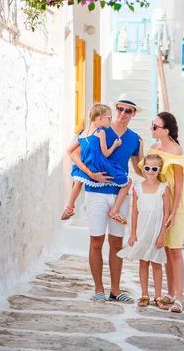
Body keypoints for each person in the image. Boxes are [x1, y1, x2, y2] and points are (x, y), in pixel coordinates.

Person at [69, 94, 143, 303]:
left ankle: (115, 290)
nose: (123, 114)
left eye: (128, 110)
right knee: (96, 241)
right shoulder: (97, 128)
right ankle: (99, 289)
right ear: (114, 109)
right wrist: (90, 174)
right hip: (96, 193)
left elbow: (138, 167)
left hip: (120, 195)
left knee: (117, 243)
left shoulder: (135, 139)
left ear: (134, 114)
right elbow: (73, 153)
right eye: (120, 109)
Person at [144, 112, 184, 313]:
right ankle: (170, 291)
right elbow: (148, 173)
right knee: (165, 249)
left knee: (175, 249)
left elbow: (180, 187)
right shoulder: (154, 148)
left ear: (166, 131)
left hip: (176, 206)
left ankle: (180, 297)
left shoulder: (176, 153)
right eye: (152, 125)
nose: (152, 128)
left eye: (155, 126)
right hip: (159, 204)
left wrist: (173, 214)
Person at [117, 154, 170, 308]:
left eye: (154, 168)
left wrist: (162, 235)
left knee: (157, 263)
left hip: (156, 231)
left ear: (159, 170)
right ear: (143, 168)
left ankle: (158, 297)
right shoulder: (137, 188)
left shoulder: (163, 188)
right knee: (143, 262)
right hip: (142, 230)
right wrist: (133, 234)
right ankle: (144, 294)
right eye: (147, 168)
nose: (150, 171)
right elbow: (135, 212)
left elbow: (166, 213)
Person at [62, 103, 130, 222]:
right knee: (127, 181)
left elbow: (69, 150)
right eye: (109, 118)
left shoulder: (83, 133)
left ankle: (69, 207)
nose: (110, 120)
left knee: (78, 179)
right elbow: (105, 154)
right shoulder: (100, 132)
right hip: (100, 166)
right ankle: (115, 211)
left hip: (88, 165)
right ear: (100, 119)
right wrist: (115, 145)